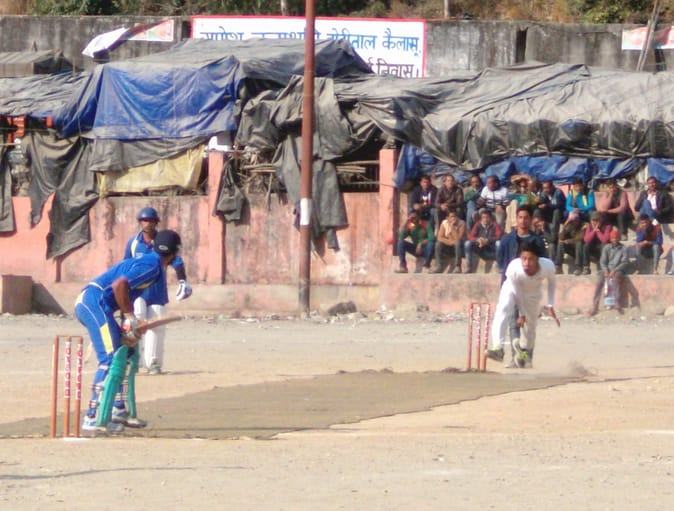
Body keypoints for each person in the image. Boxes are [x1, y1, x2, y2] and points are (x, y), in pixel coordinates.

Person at [74, 229, 183, 433]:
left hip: (99, 306)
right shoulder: (153, 265)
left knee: (124, 355)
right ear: (175, 253)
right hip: (93, 303)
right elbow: (119, 285)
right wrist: (130, 317)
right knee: (109, 359)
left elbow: (123, 292)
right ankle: (92, 417)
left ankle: (116, 409)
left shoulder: (150, 262)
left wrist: (130, 324)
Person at [124, 207, 192, 374]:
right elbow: (126, 265)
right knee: (135, 322)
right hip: (137, 291)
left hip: (156, 292)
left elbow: (176, 262)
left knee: (156, 326)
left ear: (156, 223)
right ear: (140, 222)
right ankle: (132, 360)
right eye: (144, 220)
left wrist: (182, 280)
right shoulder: (133, 243)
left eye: (151, 221)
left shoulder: (163, 241)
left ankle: (153, 363)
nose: (148, 224)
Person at [486, 239, 558, 369]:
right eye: (523, 259)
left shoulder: (547, 265)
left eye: (530, 259)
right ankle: (498, 348)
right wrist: (522, 314)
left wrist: (550, 304)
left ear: (537, 259)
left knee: (531, 325)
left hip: (532, 293)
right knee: (503, 309)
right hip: (512, 288)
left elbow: (552, 282)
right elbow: (517, 293)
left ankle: (524, 352)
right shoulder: (514, 268)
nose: (526, 263)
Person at [496, 205, 546, 367]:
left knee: (528, 325)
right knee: (512, 324)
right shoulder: (507, 240)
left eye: (526, 218)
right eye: (520, 217)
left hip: (529, 288)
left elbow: (542, 265)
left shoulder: (537, 241)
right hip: (510, 286)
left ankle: (527, 358)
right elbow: (501, 261)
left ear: (530, 220)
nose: (523, 221)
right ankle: (515, 358)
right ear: (516, 219)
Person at [588, 229, 631, 316]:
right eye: (613, 238)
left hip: (618, 269)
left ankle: (617, 302)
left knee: (616, 279)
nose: (615, 239)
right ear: (610, 239)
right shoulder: (606, 247)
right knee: (599, 282)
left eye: (616, 238)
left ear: (619, 238)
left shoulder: (623, 248)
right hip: (607, 269)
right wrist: (605, 270)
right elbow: (603, 261)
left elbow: (624, 262)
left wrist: (614, 270)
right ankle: (595, 305)